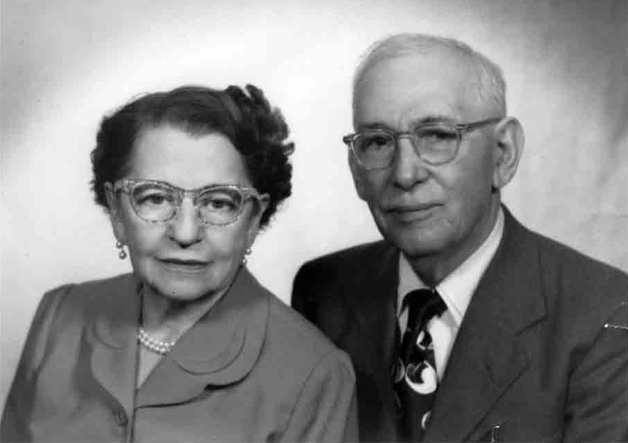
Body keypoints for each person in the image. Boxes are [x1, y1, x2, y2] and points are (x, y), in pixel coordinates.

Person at [292, 34, 628, 442]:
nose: (404, 173)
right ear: (355, 168)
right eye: (378, 142)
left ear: (503, 154)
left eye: (436, 136)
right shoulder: (323, 291)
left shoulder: (604, 314)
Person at [1, 84, 357, 442]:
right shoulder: (59, 317)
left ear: (252, 220)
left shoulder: (316, 374)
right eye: (155, 197)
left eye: (219, 203)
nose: (186, 233)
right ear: (116, 211)